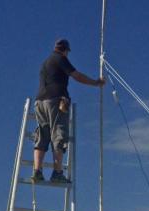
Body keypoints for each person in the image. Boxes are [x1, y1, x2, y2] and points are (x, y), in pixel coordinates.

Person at [32, 38, 104, 184]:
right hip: (56, 100)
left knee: (43, 134)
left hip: (40, 102)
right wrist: (96, 83)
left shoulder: (45, 62)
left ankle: (37, 171)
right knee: (58, 134)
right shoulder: (60, 59)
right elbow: (76, 75)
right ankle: (57, 172)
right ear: (65, 50)